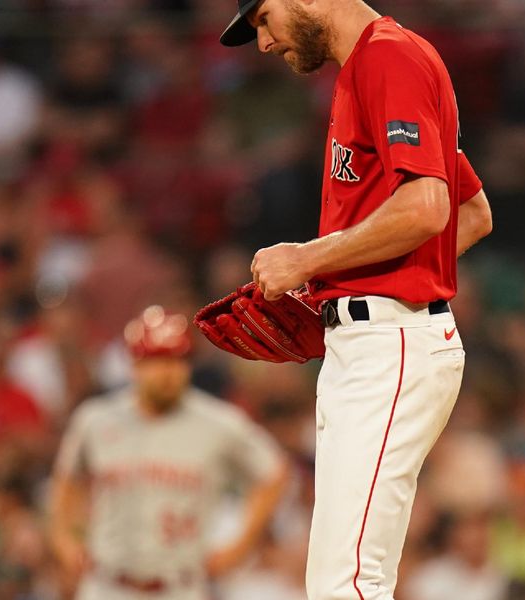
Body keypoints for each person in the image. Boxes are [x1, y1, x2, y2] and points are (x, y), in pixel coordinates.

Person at [219, 1, 493, 598]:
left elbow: (428, 208)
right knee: (342, 580)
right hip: (377, 340)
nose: (263, 42)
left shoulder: (387, 59)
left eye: (263, 19)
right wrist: (346, 287)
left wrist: (307, 260)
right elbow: (470, 214)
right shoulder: (372, 64)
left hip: (389, 345)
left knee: (347, 583)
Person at [48, 306, 289, 600]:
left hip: (180, 586)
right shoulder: (96, 420)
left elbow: (274, 473)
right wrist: (65, 540)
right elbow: (66, 482)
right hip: (107, 584)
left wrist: (241, 544)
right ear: (135, 364)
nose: (168, 372)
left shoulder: (219, 423)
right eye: (157, 360)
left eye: (177, 360)